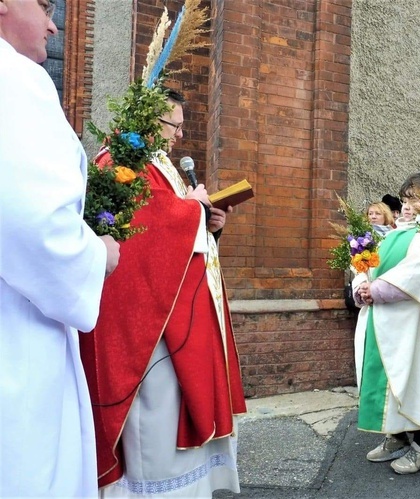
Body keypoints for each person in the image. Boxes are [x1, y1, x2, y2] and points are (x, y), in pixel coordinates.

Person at [80, 89, 247, 496]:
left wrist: (210, 222)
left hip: (179, 316)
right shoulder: (121, 161)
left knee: (173, 406)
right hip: (149, 327)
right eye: (174, 125)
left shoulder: (160, 166)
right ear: (151, 122)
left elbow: (175, 228)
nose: (178, 136)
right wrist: (192, 210)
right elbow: (145, 227)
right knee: (155, 419)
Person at [0, 1, 120, 496]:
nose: (53, 23)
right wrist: (98, 255)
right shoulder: (14, 79)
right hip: (15, 335)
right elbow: (33, 221)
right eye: (44, 5)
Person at [353, 175, 420, 474]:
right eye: (405, 199)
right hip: (388, 322)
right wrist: (361, 285)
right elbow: (366, 265)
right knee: (392, 382)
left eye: (414, 200)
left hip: (416, 328)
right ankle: (397, 436)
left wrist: (374, 291)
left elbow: (414, 274)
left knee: (416, 385)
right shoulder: (392, 234)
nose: (407, 206)